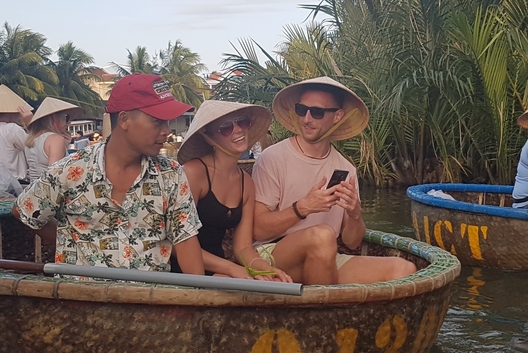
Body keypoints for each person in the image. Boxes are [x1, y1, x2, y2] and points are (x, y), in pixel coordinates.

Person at [12, 74, 205, 274]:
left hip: (150, 299)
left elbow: (185, 240)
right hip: (81, 299)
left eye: (167, 122)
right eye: (157, 122)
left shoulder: (171, 174)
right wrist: (70, 236)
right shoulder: (70, 171)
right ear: (124, 120)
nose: (166, 131)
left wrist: (197, 301)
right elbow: (24, 212)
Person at [252, 77, 416, 285]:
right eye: (302, 110)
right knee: (322, 236)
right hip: (273, 255)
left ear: (337, 116)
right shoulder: (273, 158)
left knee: (403, 269)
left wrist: (355, 215)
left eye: (317, 112)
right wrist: (303, 208)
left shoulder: (346, 169)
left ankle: (321, 296)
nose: (307, 119)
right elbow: (257, 230)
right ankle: (325, 312)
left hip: (324, 256)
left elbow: (352, 242)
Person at [170, 100, 292, 282]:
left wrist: (267, 270)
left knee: (271, 282)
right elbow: (177, 243)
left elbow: (242, 247)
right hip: (183, 268)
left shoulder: (246, 183)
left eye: (242, 121)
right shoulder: (194, 172)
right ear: (209, 137)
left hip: (221, 268)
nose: (238, 130)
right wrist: (232, 269)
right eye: (226, 127)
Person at [25, 97, 85, 181]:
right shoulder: (56, 139)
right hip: (48, 192)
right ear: (55, 119)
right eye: (66, 118)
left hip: (32, 190)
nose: (69, 122)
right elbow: (54, 174)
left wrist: (65, 146)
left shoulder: (32, 138)